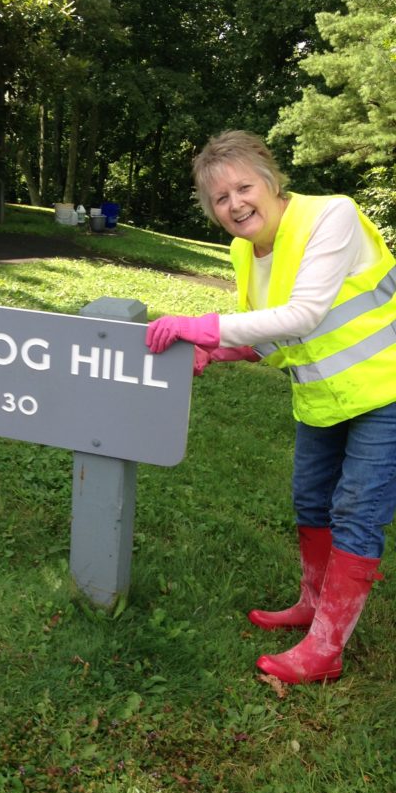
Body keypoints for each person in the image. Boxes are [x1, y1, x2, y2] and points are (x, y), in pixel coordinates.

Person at [145, 129, 396, 685]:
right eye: (220, 198)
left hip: (387, 392)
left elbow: (303, 313)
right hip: (324, 396)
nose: (235, 204)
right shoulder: (245, 251)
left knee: (356, 512)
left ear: (271, 179)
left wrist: (200, 325)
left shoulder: (333, 216)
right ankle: (312, 606)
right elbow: (271, 335)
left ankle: (326, 650)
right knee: (310, 500)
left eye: (243, 187)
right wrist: (217, 349)